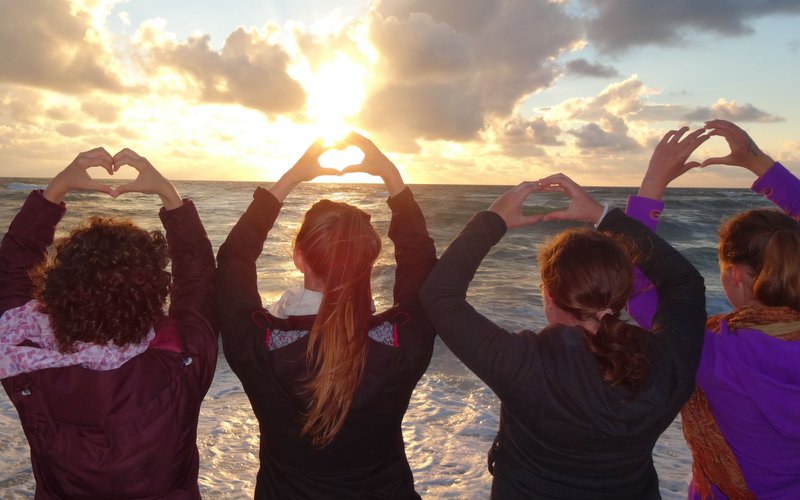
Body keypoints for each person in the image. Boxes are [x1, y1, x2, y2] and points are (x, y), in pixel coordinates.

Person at [419, 172, 707, 498]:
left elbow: (439, 294)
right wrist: (603, 216)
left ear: (549, 297)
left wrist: (493, 220)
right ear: (624, 299)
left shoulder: (523, 363)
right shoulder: (667, 363)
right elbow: (683, 281)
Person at [216, 133, 437, 498]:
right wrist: (391, 176)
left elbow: (233, 261)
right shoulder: (401, 343)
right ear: (369, 261)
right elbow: (420, 264)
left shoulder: (259, 344)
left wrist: (290, 179)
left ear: (298, 256)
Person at [0, 148, 217, 498]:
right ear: (151, 293)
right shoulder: (182, 361)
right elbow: (199, 283)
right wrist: (169, 195)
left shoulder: (23, 363)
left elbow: (12, 271)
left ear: (57, 295)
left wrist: (55, 190)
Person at [625, 120, 800, 499]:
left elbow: (632, 282)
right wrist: (759, 163)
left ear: (734, 274)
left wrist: (654, 180)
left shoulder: (713, 351)